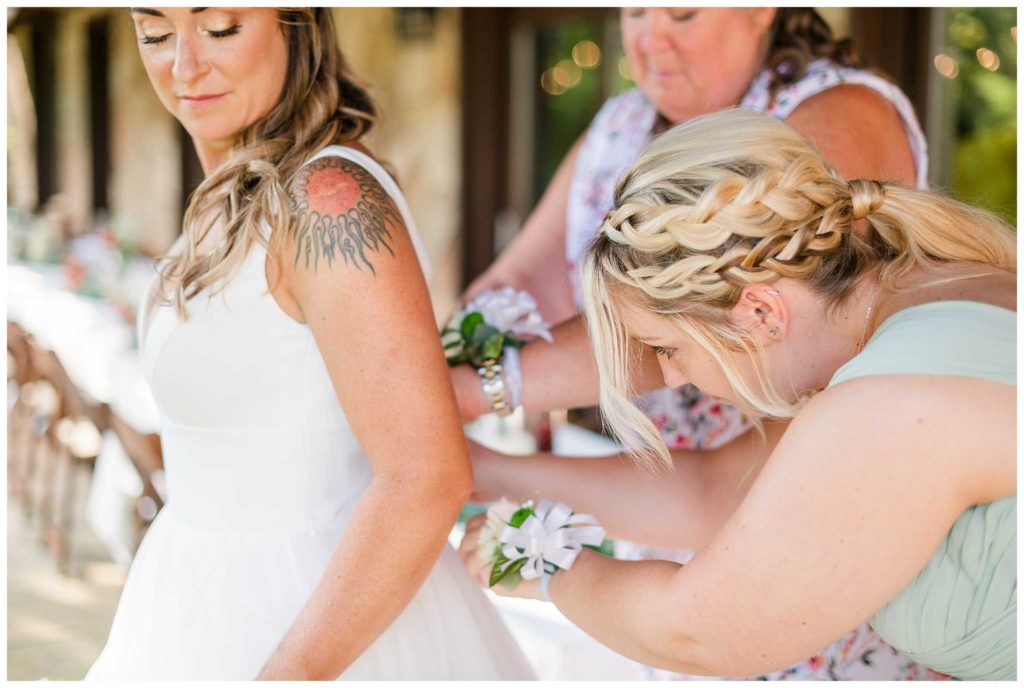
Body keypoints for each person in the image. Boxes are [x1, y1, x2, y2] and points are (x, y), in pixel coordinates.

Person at [454, 8, 937, 680]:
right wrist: (445, 356)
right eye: (633, 11)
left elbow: (699, 312)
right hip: (666, 524)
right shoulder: (622, 121)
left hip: (797, 554)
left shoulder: (837, 113)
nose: (650, 40)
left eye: (681, 11)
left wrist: (470, 392)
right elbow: (526, 278)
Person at [86, 8, 532, 680]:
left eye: (221, 27)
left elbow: (426, 476)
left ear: (294, 22)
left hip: (314, 625)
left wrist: (286, 676)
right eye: (154, 32)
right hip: (193, 602)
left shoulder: (331, 200)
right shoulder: (225, 196)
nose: (182, 66)